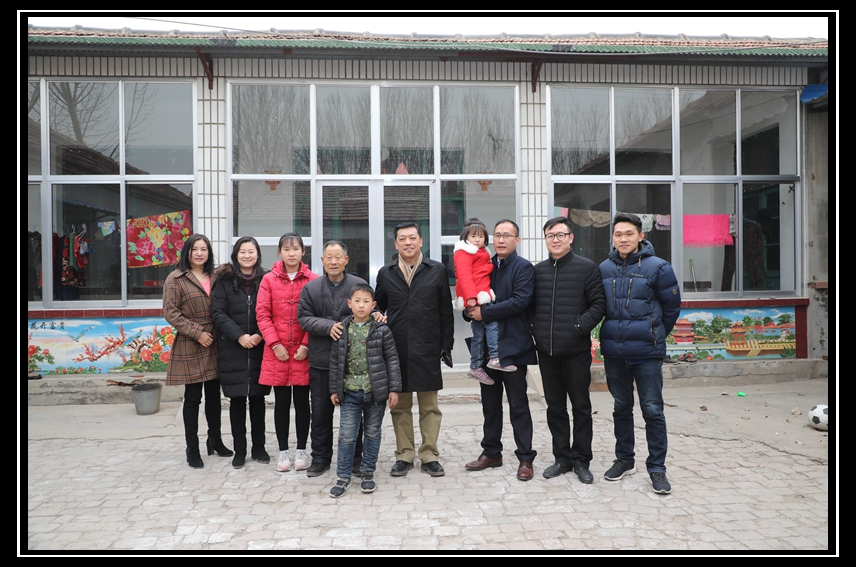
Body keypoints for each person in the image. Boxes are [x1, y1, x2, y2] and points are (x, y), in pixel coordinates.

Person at [599, 212, 681, 494]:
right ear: (613, 238)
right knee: (621, 407)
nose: (623, 239)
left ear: (641, 236)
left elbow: (671, 308)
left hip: (647, 353)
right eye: (618, 234)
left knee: (652, 410)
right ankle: (624, 459)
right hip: (614, 352)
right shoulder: (604, 269)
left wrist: (655, 334)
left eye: (629, 234)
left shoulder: (658, 267)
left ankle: (657, 468)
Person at [529, 216, 606, 483]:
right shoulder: (538, 271)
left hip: (575, 350)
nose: (556, 240)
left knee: (581, 406)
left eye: (561, 235)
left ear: (571, 238)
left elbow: (598, 304)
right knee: (555, 407)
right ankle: (562, 458)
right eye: (550, 235)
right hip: (547, 351)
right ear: (545, 239)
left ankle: (581, 459)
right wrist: (535, 330)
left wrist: (579, 327)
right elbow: (530, 307)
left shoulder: (587, 268)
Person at [375, 222, 454, 477]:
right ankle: (404, 455)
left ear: (421, 241)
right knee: (400, 406)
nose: (407, 242)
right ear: (395, 244)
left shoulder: (436, 270)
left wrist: (446, 346)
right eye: (402, 238)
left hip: (427, 347)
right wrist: (376, 314)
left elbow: (445, 311)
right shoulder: (386, 273)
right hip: (396, 349)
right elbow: (377, 306)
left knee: (430, 406)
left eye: (412, 237)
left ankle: (429, 455)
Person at [464, 219, 538, 481]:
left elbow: (520, 302)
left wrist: (484, 313)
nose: (501, 240)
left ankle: (526, 458)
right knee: (490, 405)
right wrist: (469, 310)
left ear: (517, 240)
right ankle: (492, 452)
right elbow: (472, 294)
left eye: (507, 235)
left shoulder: (524, 267)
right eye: (497, 235)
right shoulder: (483, 263)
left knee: (519, 404)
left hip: (513, 347)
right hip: (487, 350)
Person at [297, 241, 367, 477]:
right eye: (329, 257)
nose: (334, 261)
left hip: (353, 364)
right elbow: (304, 318)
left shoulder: (358, 285)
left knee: (354, 414)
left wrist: (377, 316)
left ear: (346, 260)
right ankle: (320, 458)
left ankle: (355, 458)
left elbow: (370, 310)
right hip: (321, 361)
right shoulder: (311, 288)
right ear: (322, 260)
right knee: (320, 414)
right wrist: (328, 326)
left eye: (338, 257)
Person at [163, 233, 231, 469]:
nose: (199, 253)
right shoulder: (176, 278)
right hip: (191, 342)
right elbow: (170, 312)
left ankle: (215, 441)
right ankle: (192, 448)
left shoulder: (216, 277)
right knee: (193, 398)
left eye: (204, 249)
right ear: (187, 252)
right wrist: (197, 333)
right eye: (195, 249)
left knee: (214, 396)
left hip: (215, 341)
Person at [328, 284, 402, 498]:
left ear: (374, 305)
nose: (361, 305)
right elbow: (335, 361)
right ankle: (343, 476)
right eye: (357, 301)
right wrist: (334, 389)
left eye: (366, 301)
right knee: (347, 435)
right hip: (349, 392)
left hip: (376, 392)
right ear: (349, 304)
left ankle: (367, 472)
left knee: (372, 433)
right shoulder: (341, 329)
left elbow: (392, 360)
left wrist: (394, 389)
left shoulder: (382, 330)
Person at [256, 233, 318, 473]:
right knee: (281, 403)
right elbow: (262, 314)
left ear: (303, 251)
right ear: (279, 252)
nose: (291, 253)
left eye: (296, 248)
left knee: (302, 403)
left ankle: (301, 449)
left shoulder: (313, 280)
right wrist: (275, 344)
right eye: (286, 249)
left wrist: (306, 344)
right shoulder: (268, 280)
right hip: (278, 351)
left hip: (304, 351)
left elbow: (316, 314)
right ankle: (283, 451)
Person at [212, 236, 271, 469]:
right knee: (236, 401)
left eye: (251, 251)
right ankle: (240, 450)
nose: (247, 256)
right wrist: (239, 336)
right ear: (236, 254)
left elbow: (273, 310)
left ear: (258, 254)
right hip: (232, 348)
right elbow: (218, 313)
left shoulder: (267, 278)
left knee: (258, 400)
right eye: (242, 251)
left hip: (259, 347)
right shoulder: (224, 281)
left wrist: (259, 334)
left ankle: (259, 448)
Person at [453, 217, 515, 386]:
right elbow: (464, 276)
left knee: (478, 333)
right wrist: (471, 297)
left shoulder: (481, 253)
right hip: (476, 296)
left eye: (481, 236)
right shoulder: (464, 252)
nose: (478, 239)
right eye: (474, 236)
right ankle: (495, 357)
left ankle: (475, 366)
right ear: (465, 237)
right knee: (491, 324)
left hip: (480, 293)